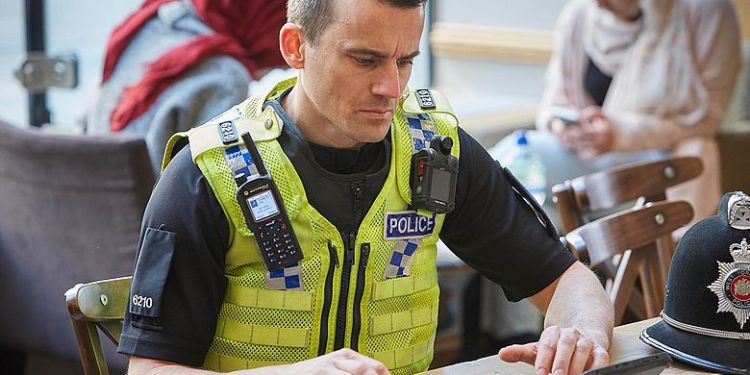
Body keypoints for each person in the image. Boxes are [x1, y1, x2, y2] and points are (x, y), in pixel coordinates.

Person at [120, 0, 614, 374]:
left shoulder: (433, 150)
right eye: (365, 60)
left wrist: (580, 333)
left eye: (405, 61)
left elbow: (568, 281)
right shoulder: (209, 173)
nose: (391, 89)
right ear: (295, 47)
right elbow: (149, 371)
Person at [533, 0, 741, 227]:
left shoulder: (706, 10)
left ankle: (675, 258)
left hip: (660, 157)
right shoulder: (579, 15)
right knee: (520, 158)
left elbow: (707, 119)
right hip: (584, 159)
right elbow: (552, 104)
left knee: (697, 153)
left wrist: (619, 134)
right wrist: (562, 127)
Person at [86, 0, 288, 171]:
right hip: (153, 214)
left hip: (92, 202)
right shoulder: (225, 75)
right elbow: (221, 186)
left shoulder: (151, 20)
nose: (266, 75)